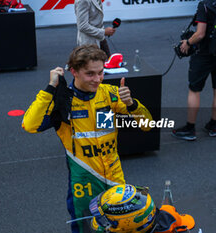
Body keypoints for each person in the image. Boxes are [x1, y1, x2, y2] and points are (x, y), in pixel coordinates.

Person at [22, 44, 152, 233]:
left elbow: (148, 125)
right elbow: (30, 125)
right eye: (90, 74)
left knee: (123, 227)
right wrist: (50, 88)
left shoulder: (109, 94)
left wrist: (131, 104)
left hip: (116, 179)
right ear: (73, 71)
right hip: (84, 184)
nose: (98, 79)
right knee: (87, 230)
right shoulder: (62, 101)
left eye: (101, 72)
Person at [171, 0, 216, 141]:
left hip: (204, 53)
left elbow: (200, 34)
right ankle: (213, 125)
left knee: (194, 90)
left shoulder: (204, 5)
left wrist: (187, 43)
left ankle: (190, 128)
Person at [89, 184, 196, 233]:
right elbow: (187, 221)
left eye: (108, 219)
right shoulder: (168, 215)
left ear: (127, 224)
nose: (101, 221)